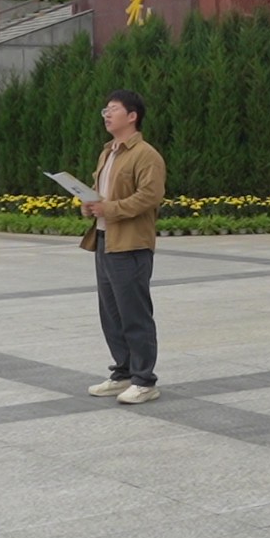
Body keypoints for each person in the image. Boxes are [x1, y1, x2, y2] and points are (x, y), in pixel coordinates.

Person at [80, 89, 166, 405]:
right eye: (105, 109)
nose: (106, 114)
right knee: (111, 313)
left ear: (132, 116)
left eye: (113, 109)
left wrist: (110, 209)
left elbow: (149, 196)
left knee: (134, 313)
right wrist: (89, 205)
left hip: (130, 244)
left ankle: (144, 380)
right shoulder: (108, 152)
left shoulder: (146, 155)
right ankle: (124, 373)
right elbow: (100, 193)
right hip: (105, 240)